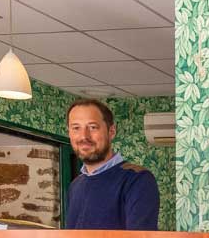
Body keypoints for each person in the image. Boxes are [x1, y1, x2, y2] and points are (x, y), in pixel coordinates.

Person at [63, 98, 159, 230]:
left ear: (111, 131)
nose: (84, 136)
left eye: (93, 127)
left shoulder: (137, 180)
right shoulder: (75, 185)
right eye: (76, 128)